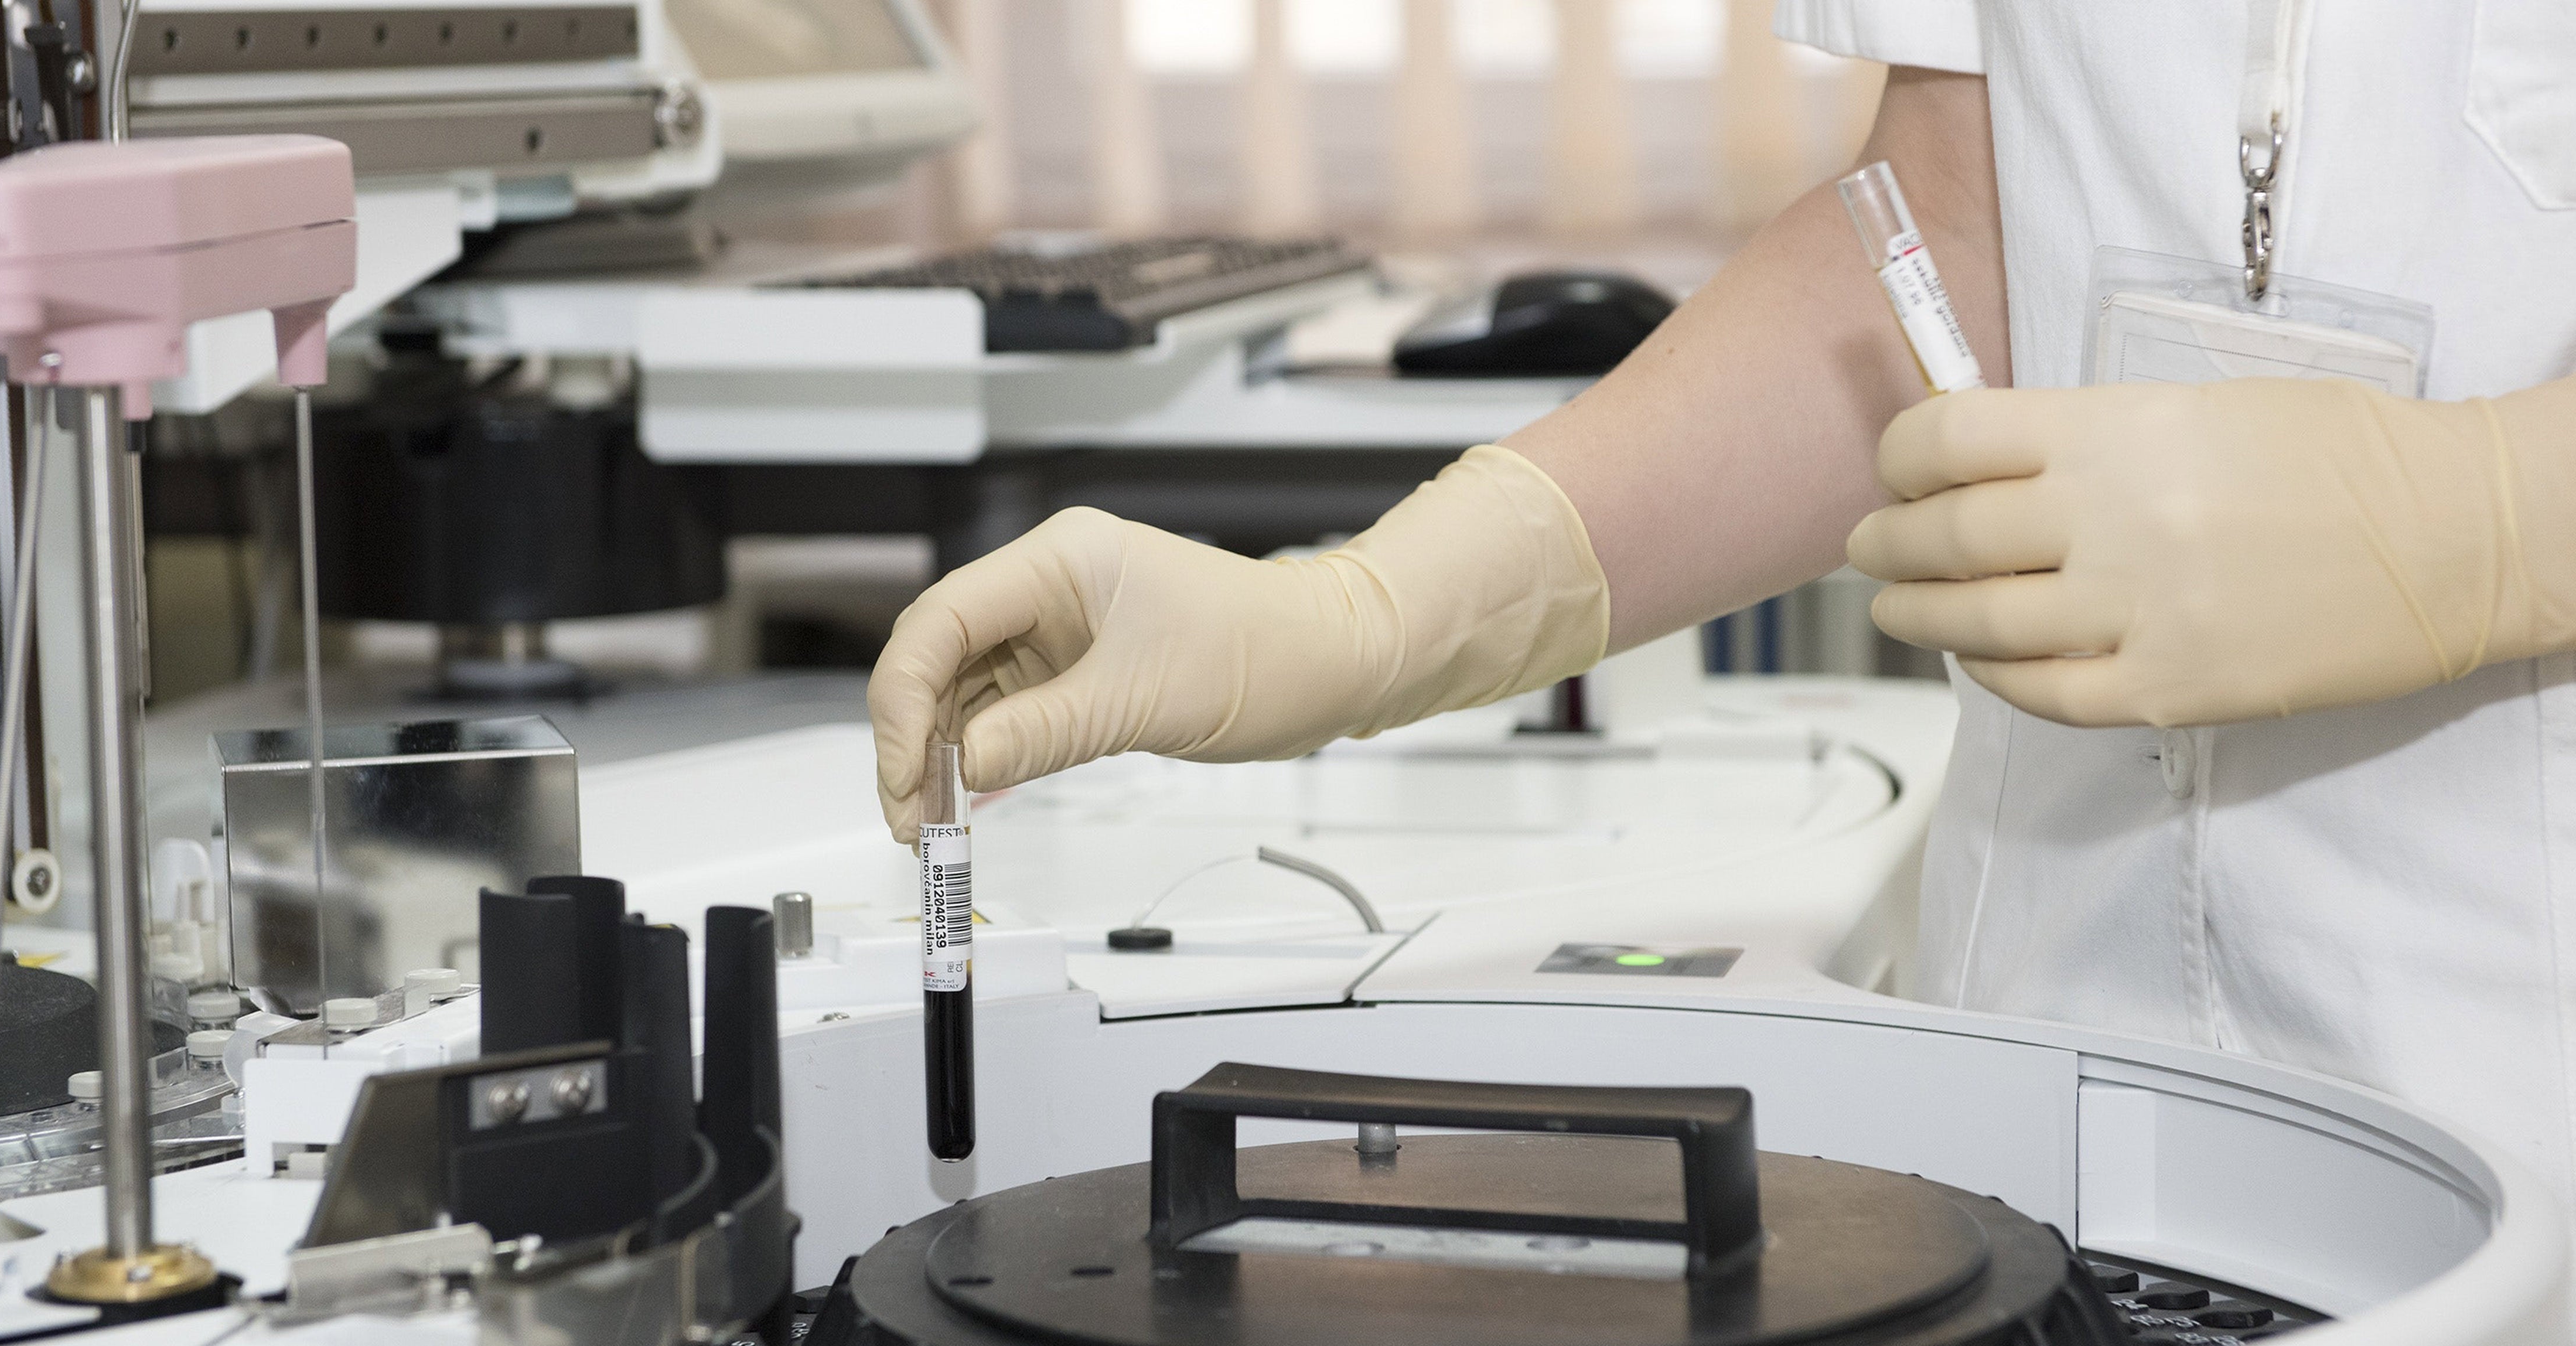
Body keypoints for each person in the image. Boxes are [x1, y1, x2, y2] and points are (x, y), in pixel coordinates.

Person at [868, 5, 2576, 1250]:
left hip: (2522, 1090)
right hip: (2057, 1079)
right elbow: (1950, 237)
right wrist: (1370, 612)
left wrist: (2502, 516)